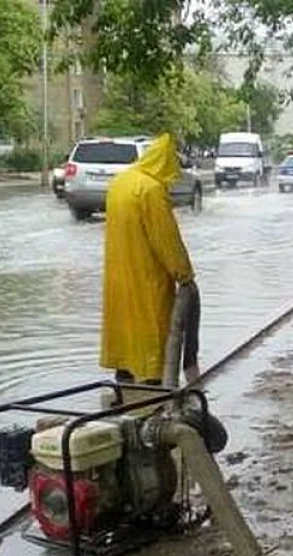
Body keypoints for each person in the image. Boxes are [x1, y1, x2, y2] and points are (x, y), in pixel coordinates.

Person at [100, 133, 197, 385]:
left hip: (118, 274)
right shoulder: (151, 190)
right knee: (152, 326)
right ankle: (153, 380)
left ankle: (124, 374)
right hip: (147, 276)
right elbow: (166, 238)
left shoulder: (119, 182)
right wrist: (184, 274)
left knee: (123, 325)